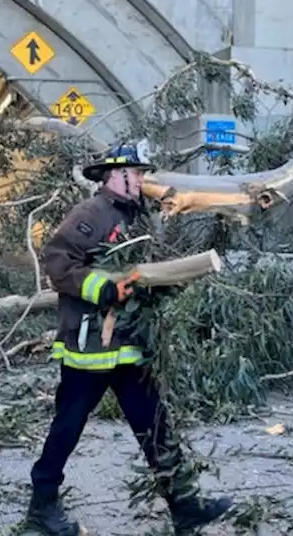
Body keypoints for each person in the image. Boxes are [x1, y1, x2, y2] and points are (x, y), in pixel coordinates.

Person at [25, 143, 232, 536]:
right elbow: (58, 260)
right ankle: (42, 507)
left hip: (128, 343)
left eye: (141, 173)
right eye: (135, 173)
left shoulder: (138, 219)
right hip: (89, 348)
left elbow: (139, 272)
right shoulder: (91, 213)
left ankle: (184, 505)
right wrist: (102, 288)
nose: (141, 180)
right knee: (68, 425)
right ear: (113, 175)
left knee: (155, 423)